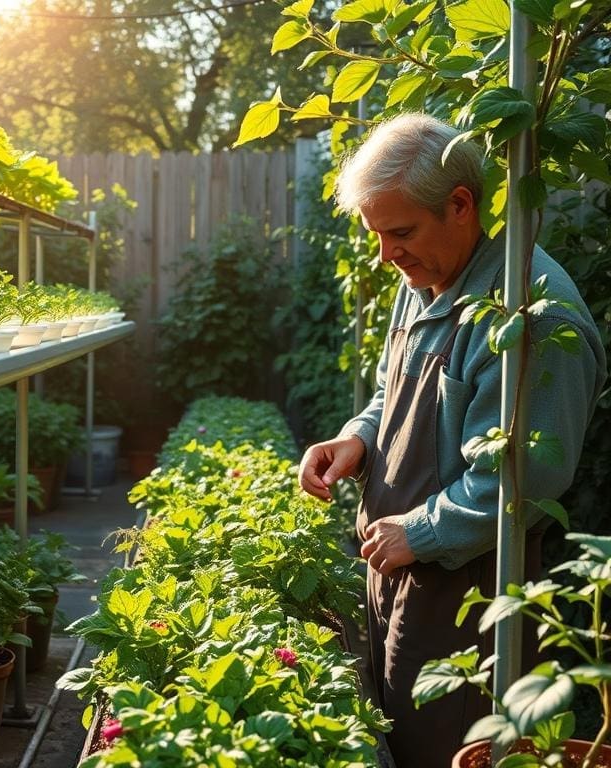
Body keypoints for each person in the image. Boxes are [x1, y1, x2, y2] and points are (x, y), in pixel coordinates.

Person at [297, 113, 607, 768]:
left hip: (472, 596)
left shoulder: (532, 313)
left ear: (460, 205)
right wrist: (356, 438)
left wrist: (424, 531)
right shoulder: (424, 279)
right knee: (398, 739)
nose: (386, 255)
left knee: (448, 749)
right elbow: (390, 393)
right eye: (376, 235)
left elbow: (528, 475)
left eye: (400, 232)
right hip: (400, 572)